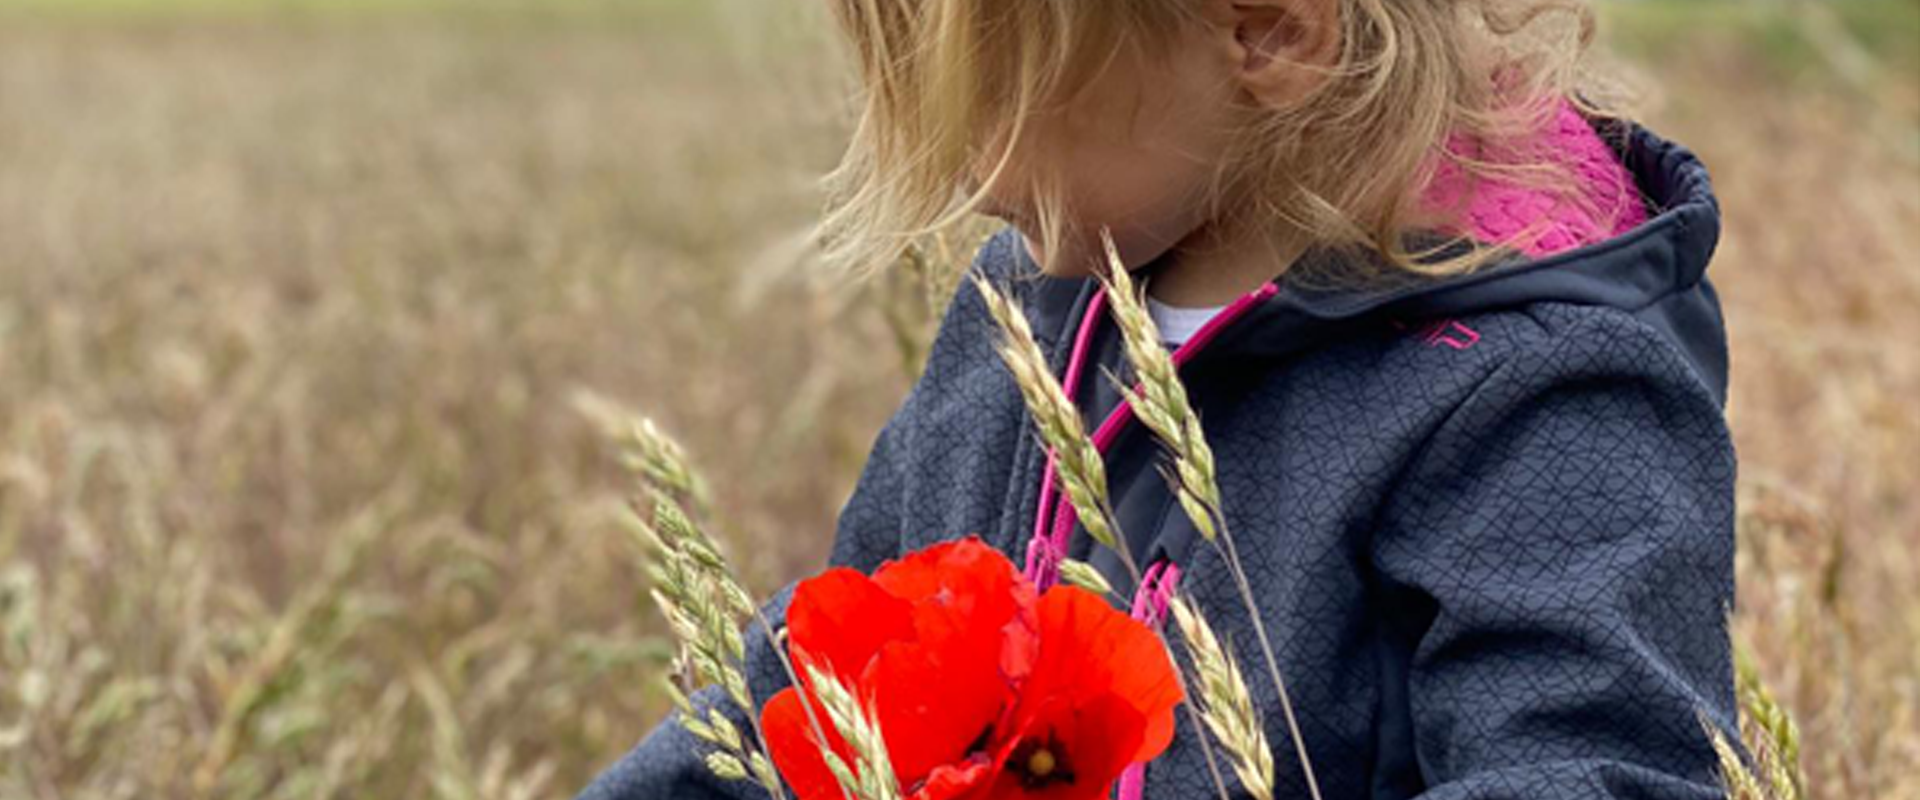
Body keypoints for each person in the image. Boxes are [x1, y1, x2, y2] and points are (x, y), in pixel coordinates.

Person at [584, 1, 1740, 797]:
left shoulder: (1532, 390)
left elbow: (1596, 766)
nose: (963, 176)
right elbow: (824, 688)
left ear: (1268, 28)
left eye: (985, 102)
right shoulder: (1035, 311)